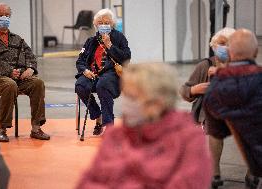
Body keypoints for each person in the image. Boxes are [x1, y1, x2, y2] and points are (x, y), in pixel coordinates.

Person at [76, 63, 212, 189]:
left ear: (157, 103)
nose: (126, 103)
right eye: (125, 95)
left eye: (132, 97)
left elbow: (188, 183)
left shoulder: (189, 139)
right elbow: (89, 181)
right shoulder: (115, 136)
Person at [0, 3, 50, 142]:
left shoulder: (17, 39)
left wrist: (30, 68)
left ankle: (36, 128)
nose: (4, 18)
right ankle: (2, 129)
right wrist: (9, 72)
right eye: (1, 15)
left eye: (7, 15)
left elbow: (31, 56)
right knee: (9, 84)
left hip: (17, 78)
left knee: (37, 83)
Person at [203, 29, 262, 189]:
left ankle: (214, 174)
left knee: (213, 129)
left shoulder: (216, 84)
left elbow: (214, 123)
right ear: (256, 53)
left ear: (230, 53)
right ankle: (252, 175)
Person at [180, 27, 235, 189]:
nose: (225, 47)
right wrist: (194, 90)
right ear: (214, 45)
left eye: (229, 44)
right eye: (221, 43)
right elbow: (184, 89)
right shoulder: (205, 65)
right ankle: (213, 172)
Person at [75, 8, 131, 135]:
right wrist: (85, 70)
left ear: (112, 24)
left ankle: (109, 125)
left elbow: (126, 58)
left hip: (111, 74)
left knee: (103, 85)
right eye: (100, 23)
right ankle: (98, 116)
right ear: (95, 25)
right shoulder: (91, 41)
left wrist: (110, 45)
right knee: (80, 85)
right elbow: (80, 60)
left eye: (106, 22)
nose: (103, 25)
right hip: (93, 73)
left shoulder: (119, 38)